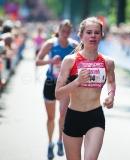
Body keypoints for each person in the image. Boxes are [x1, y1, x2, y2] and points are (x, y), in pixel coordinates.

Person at [55, 17, 116, 160]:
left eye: (96, 32)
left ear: (101, 35)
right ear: (81, 36)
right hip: (73, 117)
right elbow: (58, 94)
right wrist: (77, 81)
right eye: (89, 32)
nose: (93, 36)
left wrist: (111, 95)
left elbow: (111, 82)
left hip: (95, 117)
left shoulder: (108, 62)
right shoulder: (70, 61)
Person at [35, 19, 79, 159]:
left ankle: (60, 140)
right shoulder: (50, 44)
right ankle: (50, 144)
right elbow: (37, 61)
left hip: (65, 83)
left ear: (70, 32)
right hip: (50, 82)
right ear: (59, 31)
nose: (65, 34)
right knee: (51, 117)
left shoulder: (74, 45)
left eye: (68, 32)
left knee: (63, 114)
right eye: (63, 31)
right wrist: (51, 61)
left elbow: (81, 62)